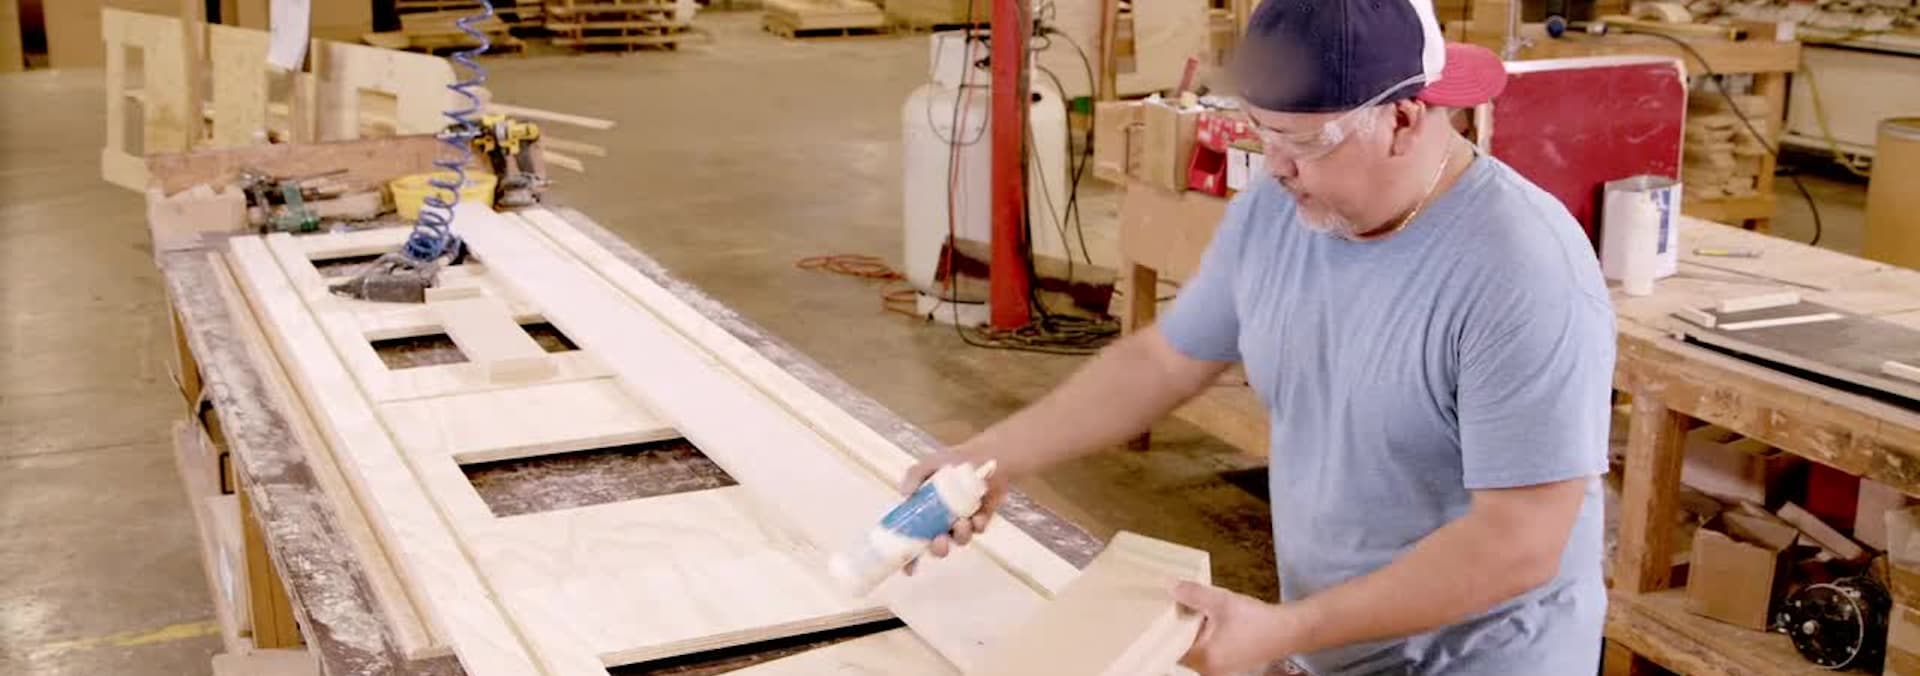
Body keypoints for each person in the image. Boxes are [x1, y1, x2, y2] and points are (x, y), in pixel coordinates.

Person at [897, 1, 1618, 674]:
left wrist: (1284, 629)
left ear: (1402, 120)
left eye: (1300, 141)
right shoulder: (1284, 205)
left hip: (1482, 659)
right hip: (1334, 642)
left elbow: (1518, 542)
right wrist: (992, 460)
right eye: (1260, 131)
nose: (1274, 165)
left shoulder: (1523, 273)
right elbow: (1166, 360)